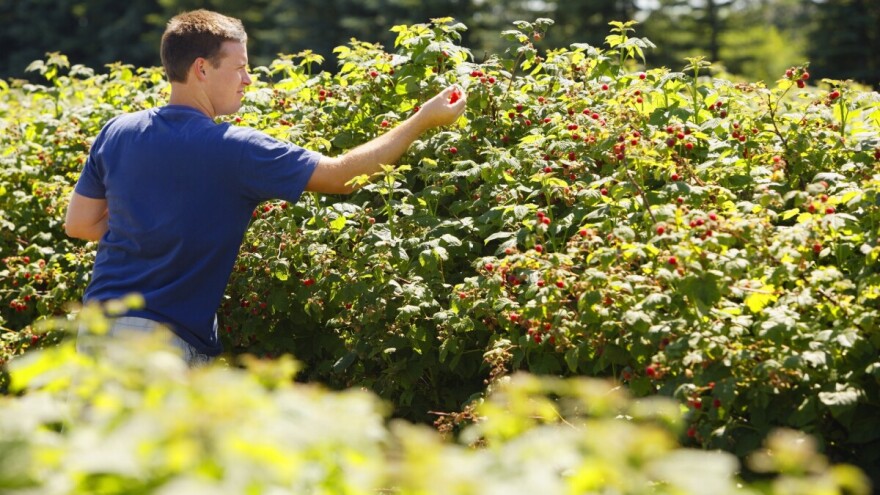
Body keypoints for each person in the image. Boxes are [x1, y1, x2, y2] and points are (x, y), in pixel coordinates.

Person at [64, 9, 466, 366]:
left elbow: (79, 224)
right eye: (238, 67)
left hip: (99, 330)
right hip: (158, 347)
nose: (248, 79)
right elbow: (340, 176)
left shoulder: (117, 131)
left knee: (95, 452)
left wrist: (150, 235)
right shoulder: (235, 148)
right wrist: (421, 121)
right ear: (201, 69)